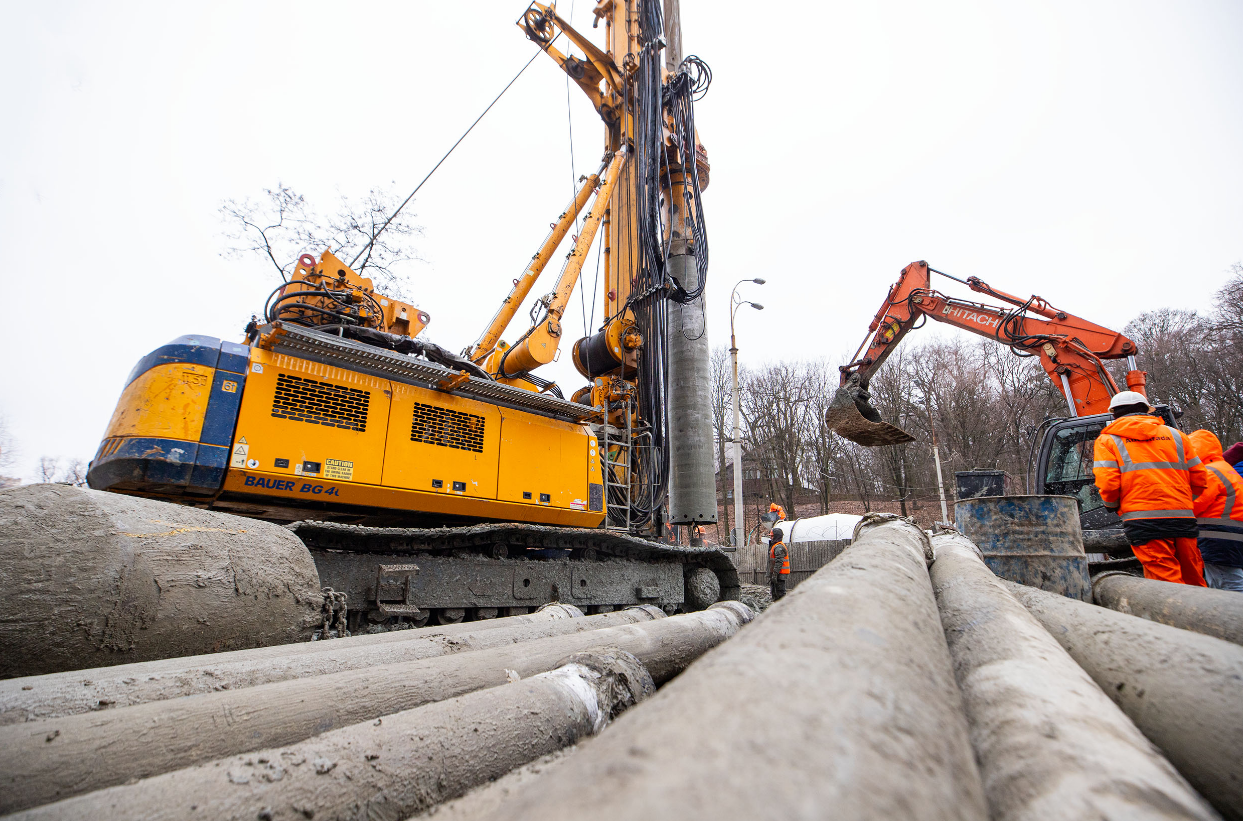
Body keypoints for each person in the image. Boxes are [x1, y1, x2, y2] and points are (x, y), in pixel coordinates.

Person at [1093, 391, 1208, 585]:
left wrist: (1111, 505)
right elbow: (1200, 479)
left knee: (1164, 582)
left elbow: (1108, 483)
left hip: (1143, 520)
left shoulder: (1107, 441)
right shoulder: (1176, 436)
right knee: (1193, 578)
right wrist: (1183, 502)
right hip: (1182, 518)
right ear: (1147, 410)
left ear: (1114, 414)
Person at [1188, 430, 1243, 592]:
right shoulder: (1226, 468)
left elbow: (1193, 505)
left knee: (1228, 584)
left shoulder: (1209, 473)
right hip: (1232, 535)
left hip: (1218, 537)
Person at [769, 526, 790, 602]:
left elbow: (779, 562)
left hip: (780, 575)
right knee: (775, 594)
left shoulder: (779, 547)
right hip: (778, 574)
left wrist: (775, 574)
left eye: (772, 536)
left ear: (776, 536)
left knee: (780, 594)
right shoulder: (775, 546)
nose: (771, 537)